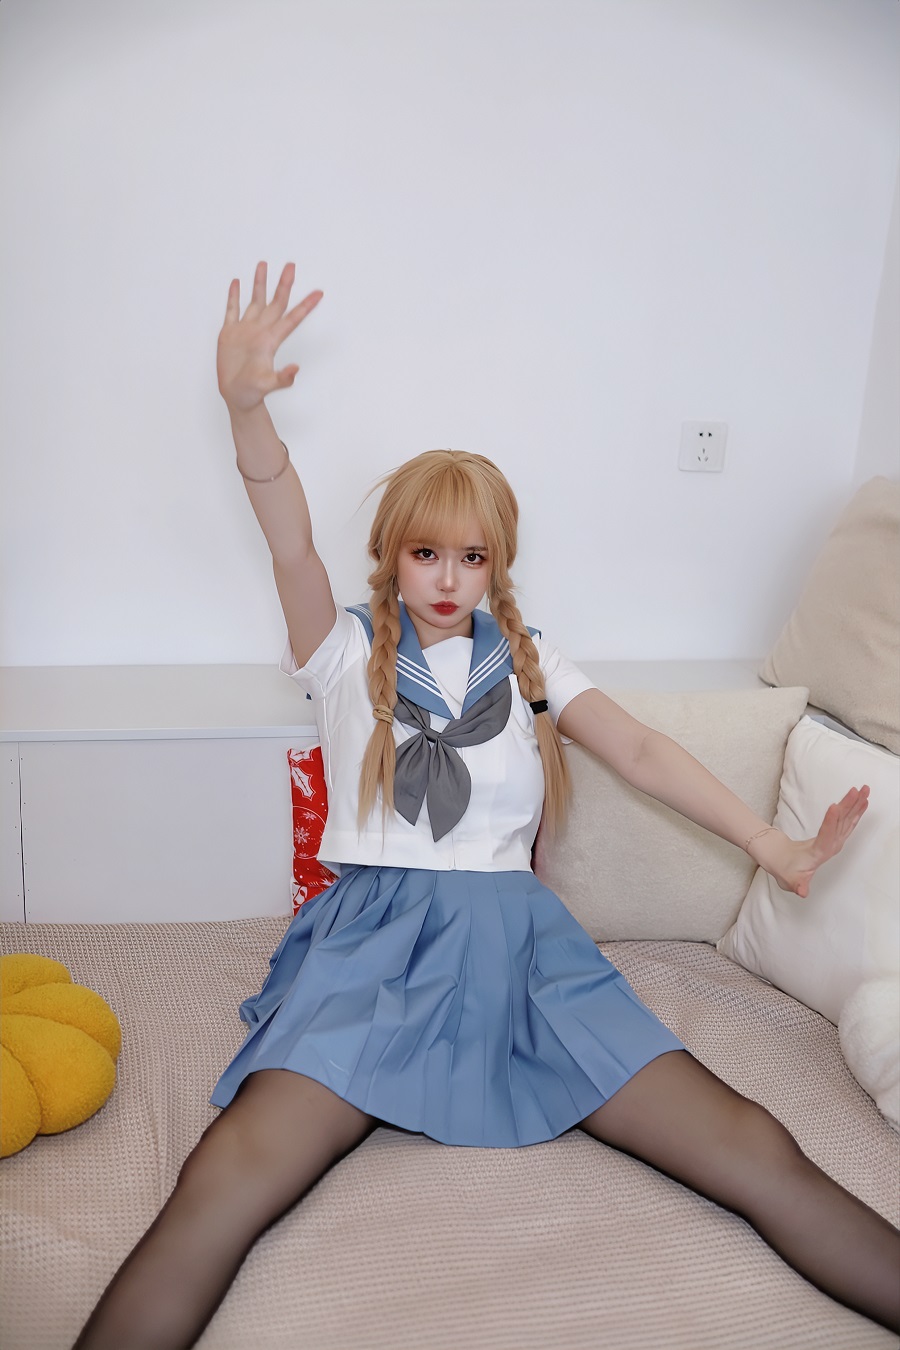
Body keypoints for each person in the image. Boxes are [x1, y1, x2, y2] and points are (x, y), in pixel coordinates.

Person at [73, 262, 900, 1349]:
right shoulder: (342, 650)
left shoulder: (535, 661)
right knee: (228, 1175)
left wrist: (771, 844)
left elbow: (643, 751)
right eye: (426, 552)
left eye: (472, 556)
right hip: (373, 945)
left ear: (497, 563)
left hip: (524, 949)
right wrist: (245, 410)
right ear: (393, 555)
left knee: (752, 1146)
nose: (447, 577)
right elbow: (288, 538)